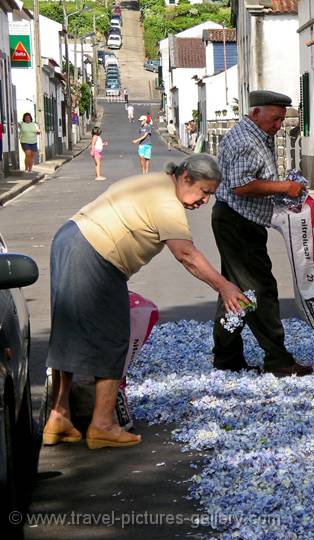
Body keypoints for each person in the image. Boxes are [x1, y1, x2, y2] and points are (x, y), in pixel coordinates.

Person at [42, 154, 251, 449]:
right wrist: (225, 287)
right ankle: (102, 425)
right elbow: (186, 255)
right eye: (204, 192)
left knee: (69, 332)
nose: (205, 201)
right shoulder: (167, 202)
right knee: (113, 337)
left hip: (70, 238)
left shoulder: (154, 183)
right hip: (95, 252)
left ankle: (59, 417)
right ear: (186, 178)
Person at [212, 90, 313, 377]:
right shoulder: (246, 140)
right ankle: (278, 359)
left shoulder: (258, 134)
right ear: (256, 113)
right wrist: (283, 188)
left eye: (281, 120)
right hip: (237, 222)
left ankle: (227, 356)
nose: (279, 125)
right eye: (275, 119)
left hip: (239, 220)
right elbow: (240, 185)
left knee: (234, 289)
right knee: (261, 289)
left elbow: (254, 179)